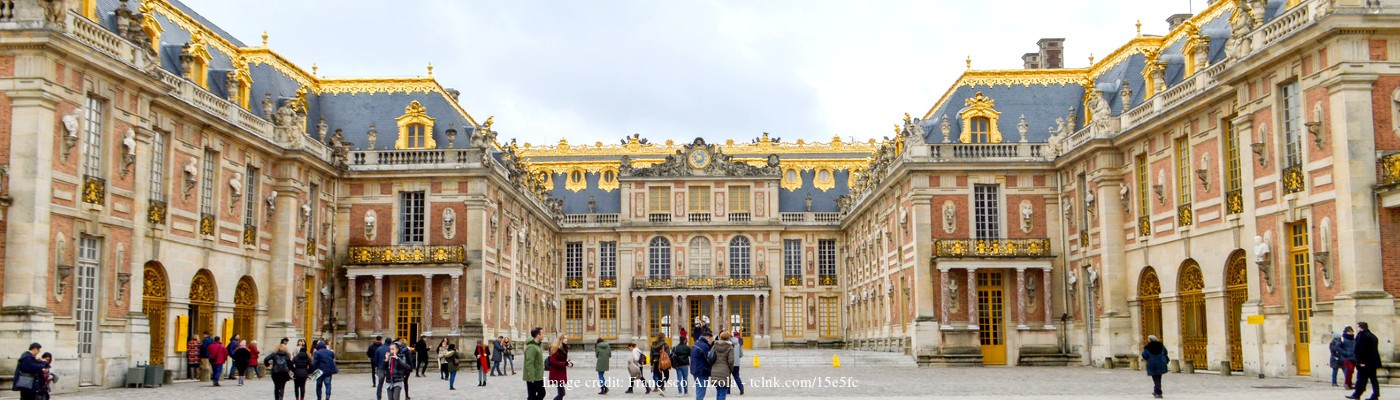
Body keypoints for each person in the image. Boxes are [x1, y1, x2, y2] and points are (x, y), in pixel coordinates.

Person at [1348, 321, 1381, 400]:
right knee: (1372, 379)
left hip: (1365, 362)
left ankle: (1357, 394)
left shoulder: (1362, 336)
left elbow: (1362, 350)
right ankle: (1374, 395)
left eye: (1357, 327)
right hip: (1372, 362)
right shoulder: (1372, 336)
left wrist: (1361, 361)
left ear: (1360, 327)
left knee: (1361, 378)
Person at [709, 331, 735, 400]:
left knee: (718, 393)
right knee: (722, 394)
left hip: (715, 371)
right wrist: (730, 370)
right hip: (724, 372)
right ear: (728, 338)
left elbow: (710, 357)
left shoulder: (715, 345)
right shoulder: (730, 347)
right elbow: (731, 361)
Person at [523, 327, 546, 400]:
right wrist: (531, 378)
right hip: (533, 376)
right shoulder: (531, 347)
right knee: (533, 395)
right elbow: (529, 363)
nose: (543, 335)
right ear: (537, 335)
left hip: (538, 375)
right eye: (542, 334)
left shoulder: (537, 345)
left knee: (541, 393)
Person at [547, 334, 572, 400]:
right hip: (556, 373)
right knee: (562, 393)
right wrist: (565, 363)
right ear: (560, 339)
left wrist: (568, 363)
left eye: (566, 338)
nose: (566, 340)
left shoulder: (565, 348)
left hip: (561, 372)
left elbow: (563, 359)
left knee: (561, 393)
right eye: (564, 338)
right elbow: (553, 361)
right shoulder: (556, 348)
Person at [690, 332, 713, 400]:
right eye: (710, 339)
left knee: (699, 390)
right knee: (701, 391)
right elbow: (709, 359)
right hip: (702, 371)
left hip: (695, 369)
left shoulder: (696, 344)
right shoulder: (704, 346)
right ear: (707, 337)